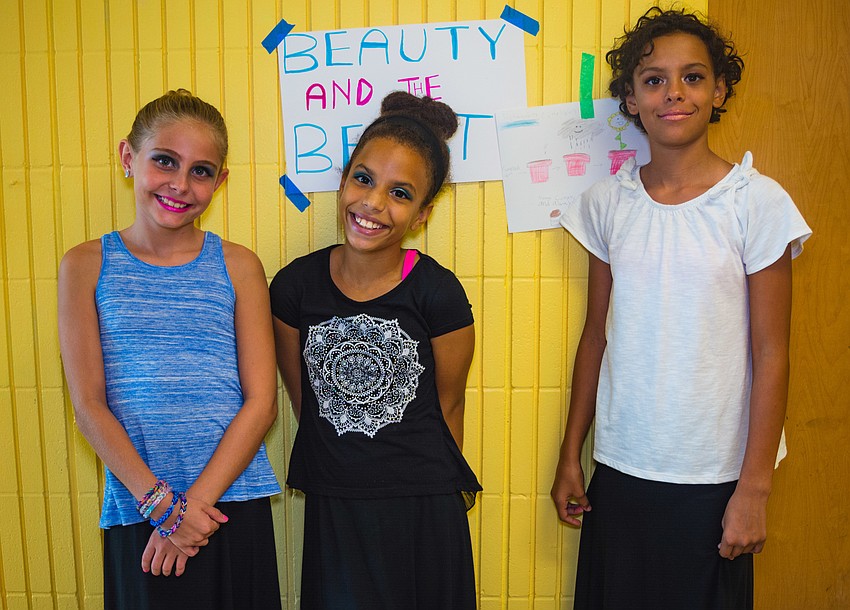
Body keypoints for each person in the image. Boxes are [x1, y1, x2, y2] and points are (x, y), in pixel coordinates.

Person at [549, 8, 812, 609]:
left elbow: (772, 352)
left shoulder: (756, 204)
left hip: (714, 480)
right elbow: (595, 337)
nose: (673, 93)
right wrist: (570, 455)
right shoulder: (607, 202)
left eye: (692, 77)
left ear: (719, 91)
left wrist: (755, 489)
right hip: (621, 468)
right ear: (632, 99)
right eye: (654, 80)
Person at [57, 89, 282, 609]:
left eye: (201, 170)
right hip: (140, 506)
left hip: (229, 501)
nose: (180, 184)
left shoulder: (239, 265)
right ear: (127, 157)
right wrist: (163, 509)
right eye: (164, 160)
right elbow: (88, 405)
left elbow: (261, 402)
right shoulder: (85, 264)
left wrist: (191, 510)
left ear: (220, 182)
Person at [270, 91, 480, 609]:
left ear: (422, 214)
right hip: (336, 504)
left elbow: (449, 405)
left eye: (400, 193)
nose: (374, 203)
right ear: (343, 181)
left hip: (424, 507)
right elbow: (306, 404)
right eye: (363, 179)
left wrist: (439, 494)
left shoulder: (439, 293)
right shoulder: (294, 289)